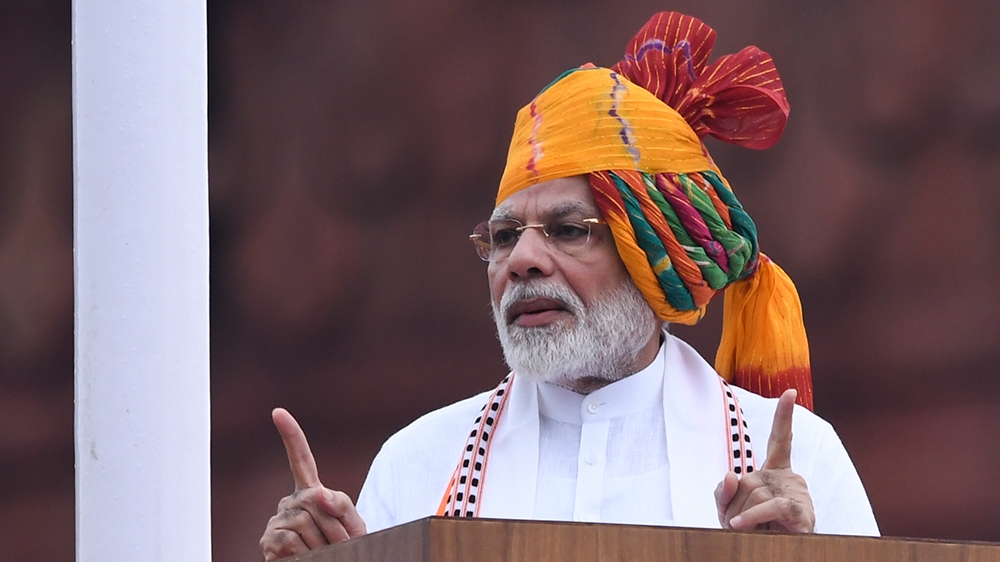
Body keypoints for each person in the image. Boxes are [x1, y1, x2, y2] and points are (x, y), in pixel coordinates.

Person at [259, 12, 879, 561]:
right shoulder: (418, 464)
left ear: (652, 256)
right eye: (504, 236)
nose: (522, 260)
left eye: (568, 230)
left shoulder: (799, 466)